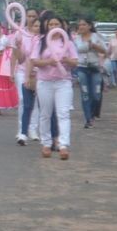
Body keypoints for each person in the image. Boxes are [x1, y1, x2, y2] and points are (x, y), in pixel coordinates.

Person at [31, 15, 78, 160]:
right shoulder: (41, 41)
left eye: (56, 23)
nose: (53, 26)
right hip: (45, 82)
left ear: (62, 25)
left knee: (63, 113)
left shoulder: (68, 42)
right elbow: (34, 61)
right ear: (47, 26)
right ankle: (46, 143)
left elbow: (75, 62)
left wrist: (66, 60)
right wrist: (48, 62)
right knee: (45, 113)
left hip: (63, 82)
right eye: (50, 24)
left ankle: (63, 145)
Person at [11, 8, 40, 144]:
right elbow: (18, 58)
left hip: (39, 72)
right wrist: (11, 71)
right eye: (29, 16)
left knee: (36, 101)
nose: (31, 18)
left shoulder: (42, 36)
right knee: (23, 99)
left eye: (34, 16)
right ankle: (22, 129)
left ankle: (33, 128)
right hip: (22, 71)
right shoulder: (20, 34)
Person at [73, 18, 106, 128]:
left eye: (84, 24)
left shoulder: (97, 37)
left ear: (89, 26)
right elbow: (76, 50)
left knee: (96, 95)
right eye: (80, 25)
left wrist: (95, 46)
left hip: (95, 68)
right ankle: (88, 119)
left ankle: (92, 114)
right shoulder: (76, 39)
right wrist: (88, 46)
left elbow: (105, 50)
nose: (81, 27)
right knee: (85, 94)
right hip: (82, 68)